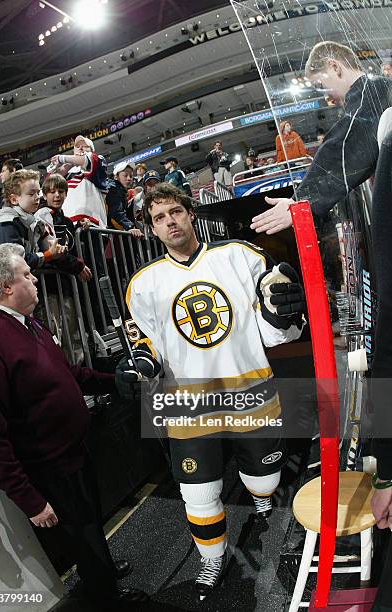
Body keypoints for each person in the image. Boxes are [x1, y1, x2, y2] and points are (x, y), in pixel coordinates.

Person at [116, 183, 305, 600]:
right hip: (189, 405)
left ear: (190, 213)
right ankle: (212, 558)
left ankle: (262, 504)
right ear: (152, 229)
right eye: (160, 218)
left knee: (264, 481)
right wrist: (140, 364)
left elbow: (275, 332)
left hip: (250, 392)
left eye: (175, 212)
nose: (170, 222)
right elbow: (143, 342)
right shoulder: (143, 284)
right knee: (198, 495)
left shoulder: (241, 256)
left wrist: (284, 312)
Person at [0, 243, 148, 610]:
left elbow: (68, 374)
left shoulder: (27, 323)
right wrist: (30, 500)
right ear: (7, 286)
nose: (35, 279)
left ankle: (101, 574)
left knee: (90, 524)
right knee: (81, 535)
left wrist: (112, 379)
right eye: (27, 274)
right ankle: (106, 597)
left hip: (73, 450)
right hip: (48, 465)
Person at [251, 41, 392, 235]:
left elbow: (346, 146)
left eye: (321, 85)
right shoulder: (379, 91)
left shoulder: (373, 91)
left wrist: (300, 201)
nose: (328, 99)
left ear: (335, 67)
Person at [35, 174, 92, 363]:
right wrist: (77, 265)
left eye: (61, 191)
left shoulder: (66, 220)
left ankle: (78, 376)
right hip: (48, 286)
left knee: (72, 332)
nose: (57, 195)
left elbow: (67, 245)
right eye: (52, 192)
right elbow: (54, 250)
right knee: (54, 334)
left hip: (66, 285)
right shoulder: (41, 216)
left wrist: (79, 226)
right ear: (44, 195)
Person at [0, 169, 66, 268]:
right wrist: (48, 255)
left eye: (37, 192)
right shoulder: (6, 223)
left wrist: (54, 250)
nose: (37, 197)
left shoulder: (29, 221)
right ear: (14, 199)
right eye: (31, 194)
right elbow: (16, 262)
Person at [50, 135, 108, 228]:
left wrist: (63, 158)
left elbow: (88, 160)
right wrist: (67, 164)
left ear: (92, 150)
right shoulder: (68, 173)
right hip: (68, 225)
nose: (80, 148)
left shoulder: (99, 161)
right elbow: (50, 183)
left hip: (92, 224)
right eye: (77, 147)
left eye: (85, 146)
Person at [106, 161, 143, 237]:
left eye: (131, 176)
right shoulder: (114, 188)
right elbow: (116, 212)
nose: (129, 178)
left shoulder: (120, 189)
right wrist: (130, 226)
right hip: (112, 232)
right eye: (125, 176)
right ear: (116, 176)